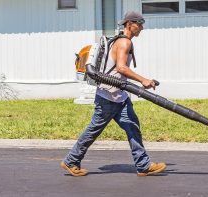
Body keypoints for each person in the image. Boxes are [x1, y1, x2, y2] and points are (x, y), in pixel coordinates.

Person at [61, 11, 166, 177]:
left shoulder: (118, 40)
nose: (142, 27)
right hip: (108, 98)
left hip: (120, 97)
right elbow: (121, 68)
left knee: (133, 127)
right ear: (129, 23)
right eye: (139, 23)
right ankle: (71, 160)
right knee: (93, 131)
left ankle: (143, 165)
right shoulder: (124, 42)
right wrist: (143, 80)